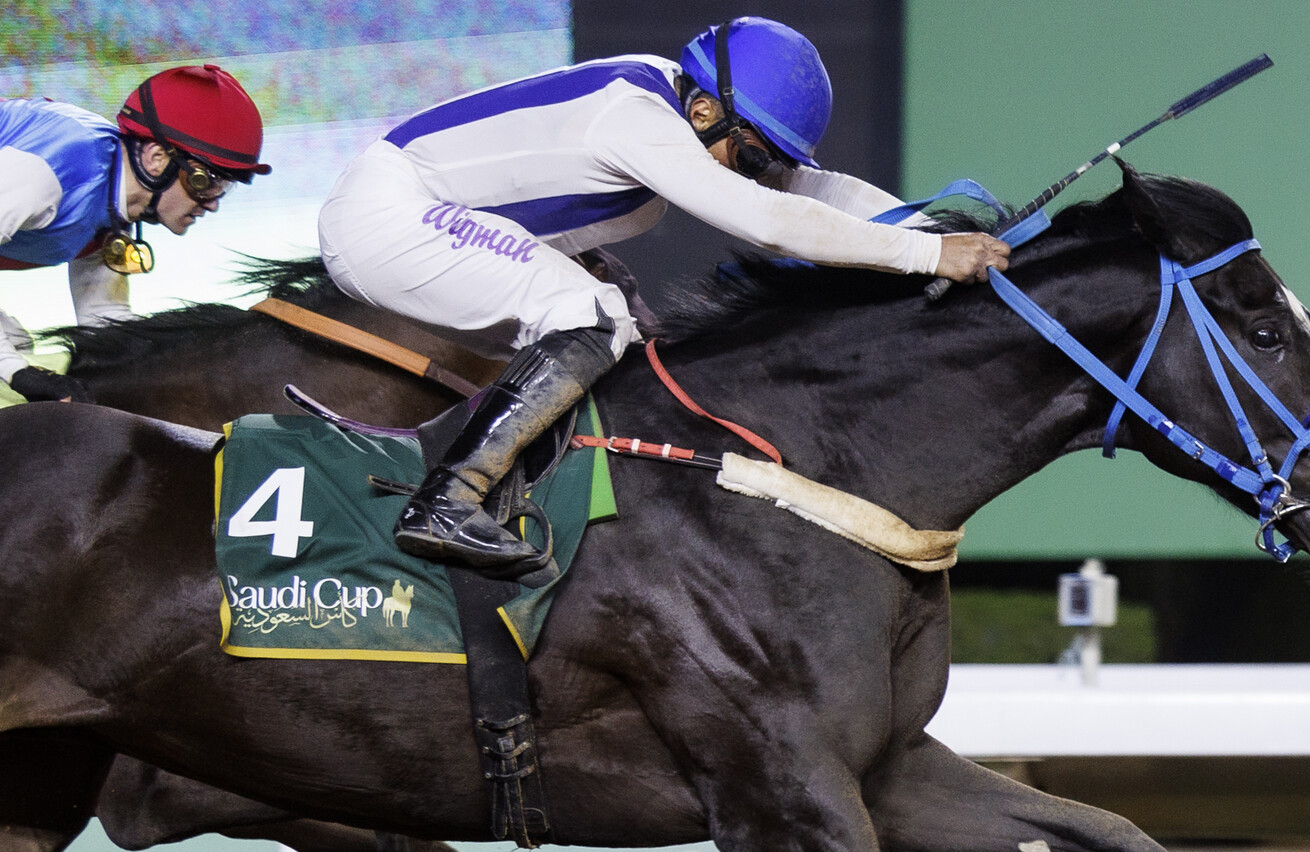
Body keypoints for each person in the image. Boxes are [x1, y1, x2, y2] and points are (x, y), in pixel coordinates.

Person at [319, 16, 1012, 581]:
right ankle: (447, 500)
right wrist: (926, 256)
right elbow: (770, 222)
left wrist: (940, 231)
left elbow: (811, 189)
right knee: (593, 315)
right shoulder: (638, 119)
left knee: (623, 337)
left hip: (427, 211)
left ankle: (521, 495)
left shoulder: (681, 107)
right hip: (388, 216)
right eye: (751, 158)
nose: (762, 174)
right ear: (705, 109)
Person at [0, 65, 270, 403]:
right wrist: (15, 369)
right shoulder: (44, 175)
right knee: (12, 366)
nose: (213, 205)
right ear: (157, 159)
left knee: (18, 354)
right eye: (209, 182)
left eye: (225, 188)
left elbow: (104, 324)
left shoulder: (117, 203)